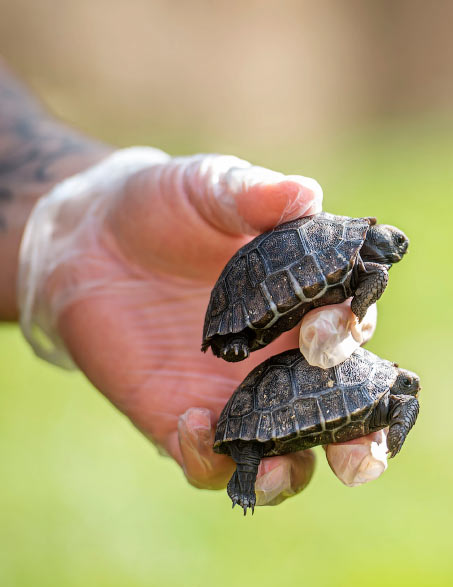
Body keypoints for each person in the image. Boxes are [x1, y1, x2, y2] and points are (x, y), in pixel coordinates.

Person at [0, 59, 386, 507]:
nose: (392, 253)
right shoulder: (354, 257)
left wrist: (81, 222)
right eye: (385, 244)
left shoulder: (354, 262)